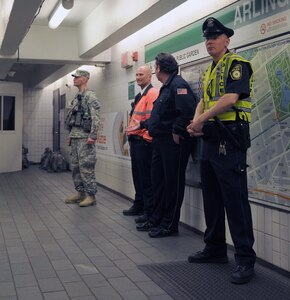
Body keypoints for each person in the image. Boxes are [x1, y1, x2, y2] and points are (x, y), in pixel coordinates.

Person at [186, 17, 256, 284]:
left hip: (231, 140)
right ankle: (215, 248)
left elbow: (230, 99)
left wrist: (200, 121)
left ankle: (245, 259)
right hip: (211, 139)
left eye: (215, 37)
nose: (209, 41)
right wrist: (196, 121)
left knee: (235, 201)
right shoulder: (211, 69)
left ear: (227, 40)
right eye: (207, 38)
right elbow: (205, 98)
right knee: (212, 197)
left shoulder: (237, 65)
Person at [136, 53, 197, 238]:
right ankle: (156, 219)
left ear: (160, 68)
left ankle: (170, 224)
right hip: (160, 142)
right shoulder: (167, 86)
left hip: (173, 143)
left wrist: (177, 131)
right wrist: (146, 125)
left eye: (155, 66)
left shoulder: (178, 85)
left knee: (172, 184)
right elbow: (164, 115)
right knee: (159, 182)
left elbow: (187, 112)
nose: (155, 69)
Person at [123, 65, 159, 223]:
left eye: (141, 75)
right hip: (135, 141)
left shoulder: (152, 93)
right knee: (138, 177)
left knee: (146, 179)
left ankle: (147, 210)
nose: (138, 77)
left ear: (150, 76)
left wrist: (146, 138)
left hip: (144, 142)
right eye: (137, 74)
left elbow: (151, 120)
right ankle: (139, 204)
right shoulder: (141, 95)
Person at [65, 70, 101, 207]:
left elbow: (95, 118)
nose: (74, 79)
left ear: (85, 79)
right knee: (75, 167)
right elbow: (73, 119)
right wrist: (70, 135)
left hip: (85, 138)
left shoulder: (90, 96)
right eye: (74, 77)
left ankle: (91, 196)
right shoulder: (77, 97)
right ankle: (80, 193)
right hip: (75, 137)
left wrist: (93, 135)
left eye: (77, 77)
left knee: (86, 167)